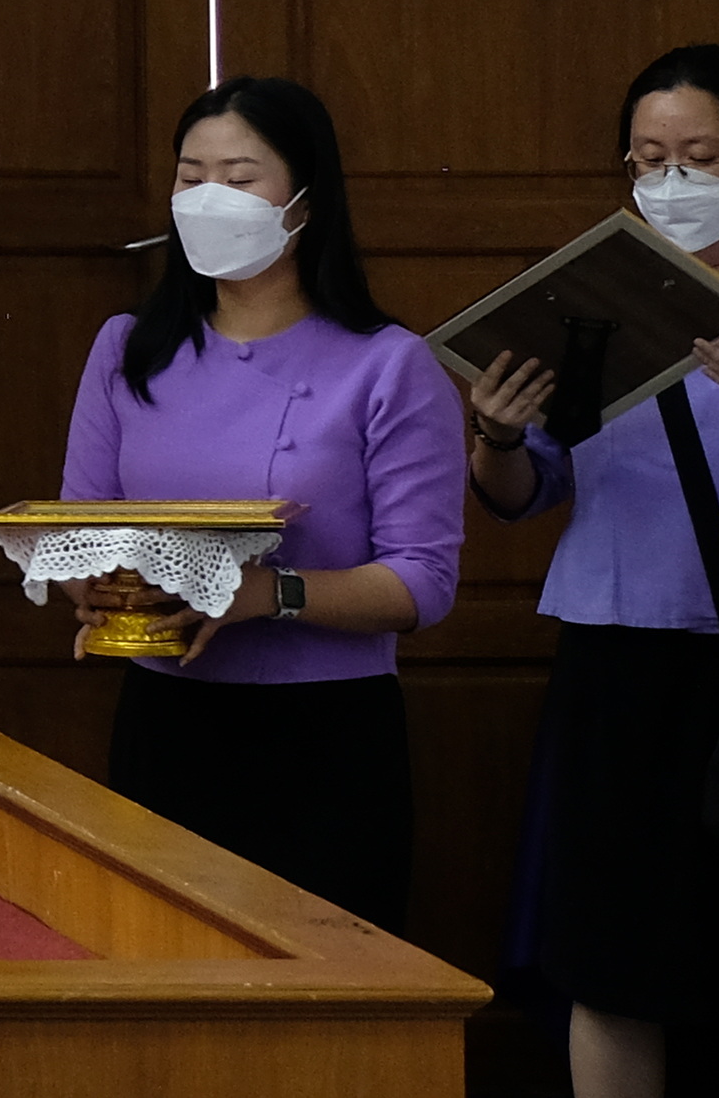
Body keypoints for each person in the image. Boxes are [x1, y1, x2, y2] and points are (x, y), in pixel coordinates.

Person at [458, 46, 719, 1098]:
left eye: (702, 157)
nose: (672, 181)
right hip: (623, 665)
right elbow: (523, 492)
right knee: (614, 965)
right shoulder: (584, 302)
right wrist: (496, 439)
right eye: (649, 159)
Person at [47, 78, 462, 928]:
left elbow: (423, 583)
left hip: (327, 736)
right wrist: (88, 583)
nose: (209, 200)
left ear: (306, 201)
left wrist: (269, 595)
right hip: (167, 719)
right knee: (164, 977)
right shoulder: (127, 349)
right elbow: (77, 525)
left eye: (239, 179)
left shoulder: (389, 363)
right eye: (190, 177)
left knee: (327, 1004)